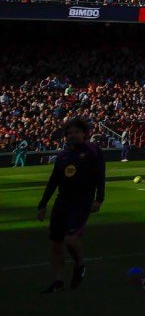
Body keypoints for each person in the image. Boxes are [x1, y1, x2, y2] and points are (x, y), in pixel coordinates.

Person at [37, 117, 104, 293]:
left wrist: (99, 199)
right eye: (69, 133)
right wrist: (43, 204)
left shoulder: (92, 151)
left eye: (76, 132)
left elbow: (100, 176)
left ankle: (80, 264)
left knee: (70, 239)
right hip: (62, 202)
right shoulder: (63, 155)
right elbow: (53, 180)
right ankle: (58, 281)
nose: (72, 135)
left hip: (82, 202)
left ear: (84, 133)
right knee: (56, 244)